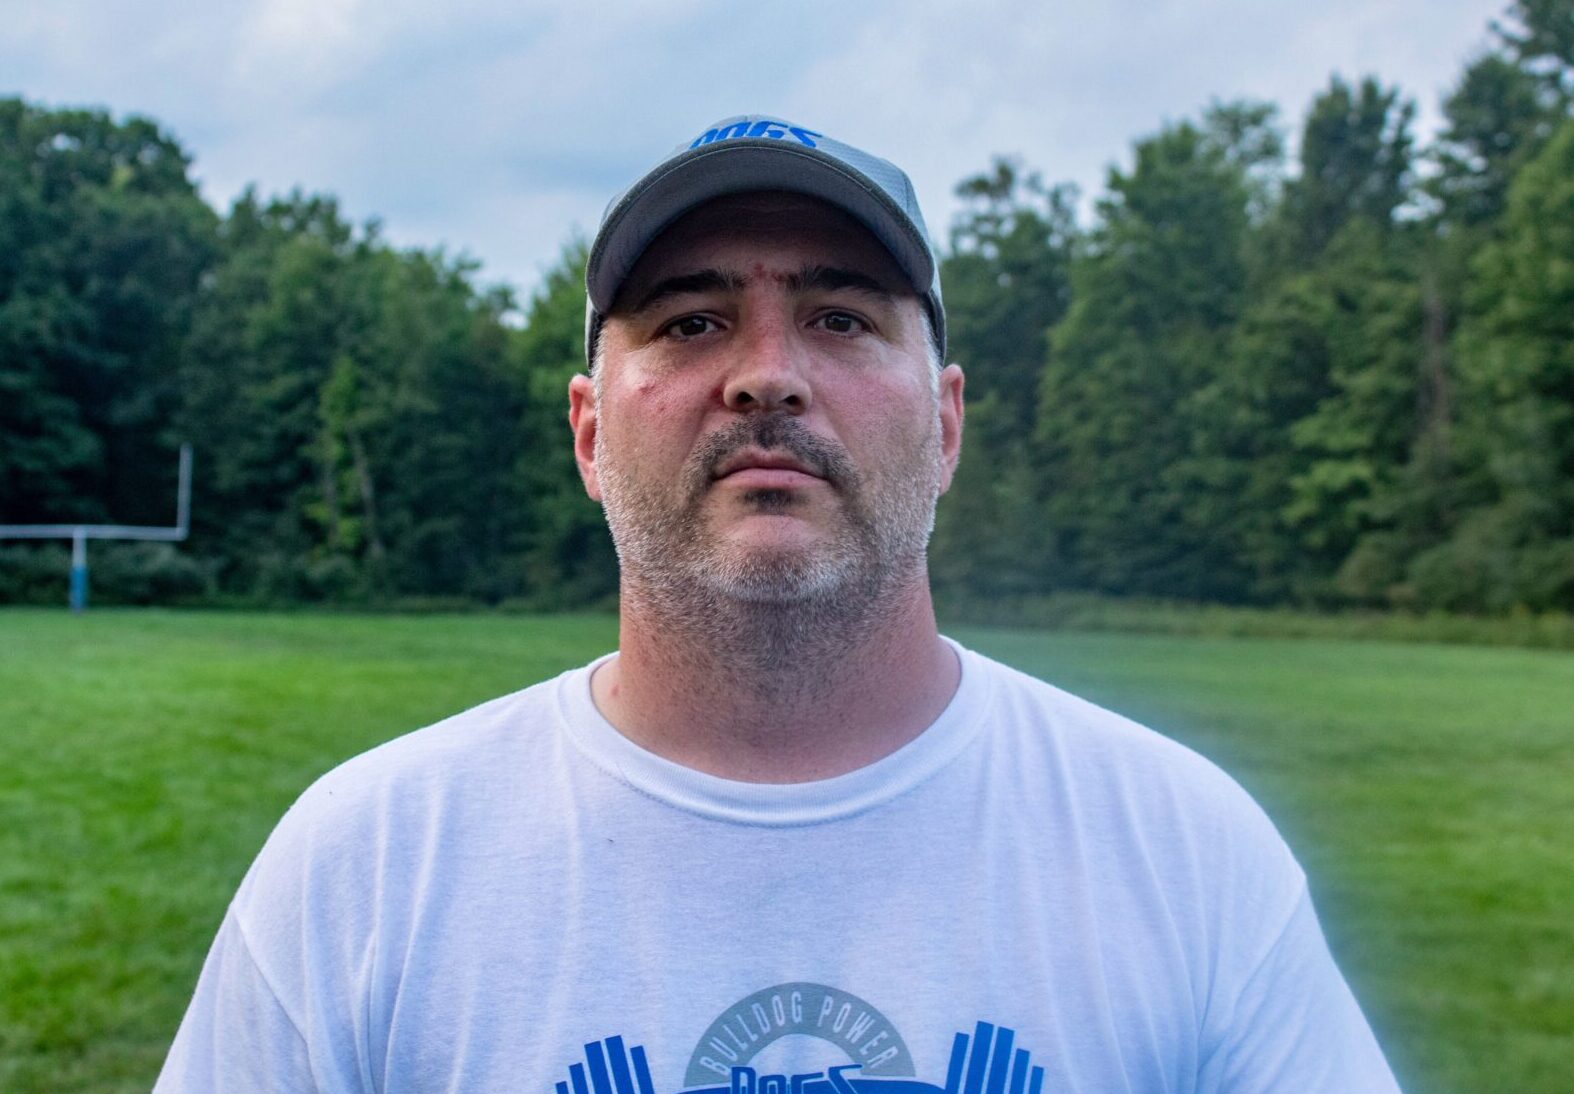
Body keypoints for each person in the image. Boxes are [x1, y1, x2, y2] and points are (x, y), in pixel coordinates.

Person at [156, 115, 1401, 1092]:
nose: (765, 376)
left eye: (839, 316)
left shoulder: (1183, 850)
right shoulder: (368, 865)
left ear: (946, 423)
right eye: (691, 320)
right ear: (587, 434)